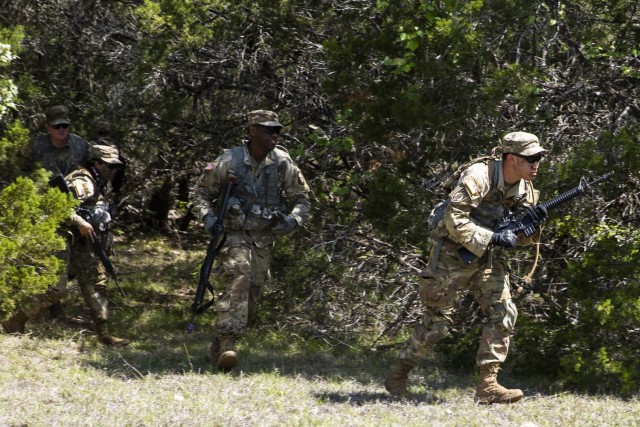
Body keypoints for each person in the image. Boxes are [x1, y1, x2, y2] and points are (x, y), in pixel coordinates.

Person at [384, 131, 548, 404]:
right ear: (511, 159)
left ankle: (488, 386)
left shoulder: (525, 189)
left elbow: (518, 238)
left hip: (486, 258)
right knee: (437, 325)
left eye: (539, 158)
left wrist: (532, 224)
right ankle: (397, 376)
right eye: (531, 158)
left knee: (505, 312)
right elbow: (453, 218)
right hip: (450, 253)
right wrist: (494, 237)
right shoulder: (478, 176)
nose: (536, 164)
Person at [194, 109, 311, 372]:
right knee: (240, 277)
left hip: (264, 237)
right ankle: (229, 344)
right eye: (268, 129)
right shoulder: (229, 160)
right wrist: (209, 220)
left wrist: (292, 220)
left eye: (277, 130)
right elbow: (201, 193)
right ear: (252, 130)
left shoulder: (283, 162)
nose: (274, 134)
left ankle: (217, 345)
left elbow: (302, 199)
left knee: (254, 290)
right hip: (234, 234)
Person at [3, 145, 130, 346]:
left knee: (97, 282)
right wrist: (81, 222)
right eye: (109, 166)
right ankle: (14, 322)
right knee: (55, 288)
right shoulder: (84, 182)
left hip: (77, 238)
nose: (113, 171)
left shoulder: (100, 183)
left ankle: (104, 334)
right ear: (97, 164)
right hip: (58, 233)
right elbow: (57, 204)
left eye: (115, 167)